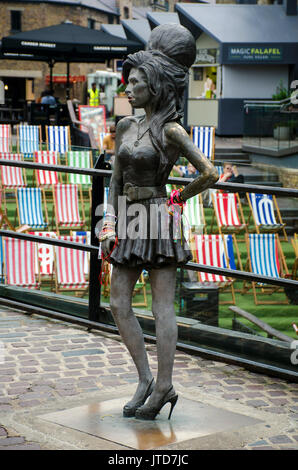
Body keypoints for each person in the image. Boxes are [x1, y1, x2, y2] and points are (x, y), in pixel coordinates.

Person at [98, 24, 218, 421]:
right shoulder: (125, 126)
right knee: (118, 303)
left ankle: (164, 385)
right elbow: (114, 180)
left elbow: (209, 172)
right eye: (127, 81)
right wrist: (108, 223)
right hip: (129, 220)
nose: (128, 88)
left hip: (158, 218)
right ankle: (146, 378)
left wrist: (177, 199)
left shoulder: (171, 130)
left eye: (136, 82)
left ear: (156, 86)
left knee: (162, 307)